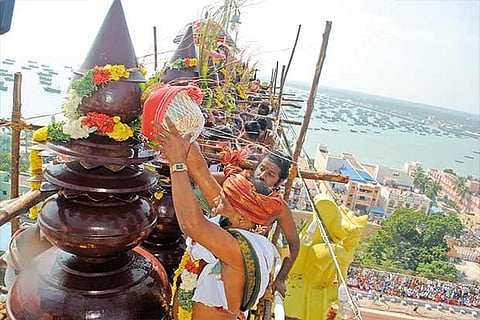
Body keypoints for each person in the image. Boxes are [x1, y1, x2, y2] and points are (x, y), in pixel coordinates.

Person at [152, 118, 283, 320]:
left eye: (225, 199)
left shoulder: (242, 249)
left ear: (242, 218)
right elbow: (200, 171)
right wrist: (183, 131)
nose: (217, 199)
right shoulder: (229, 218)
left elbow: (191, 224)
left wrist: (177, 163)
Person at [193, 147, 299, 299]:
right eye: (262, 169)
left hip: (244, 268)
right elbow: (200, 179)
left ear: (279, 182)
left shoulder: (278, 207)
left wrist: (281, 278)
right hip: (210, 251)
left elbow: (294, 243)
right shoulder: (236, 184)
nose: (262, 176)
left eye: (270, 174)